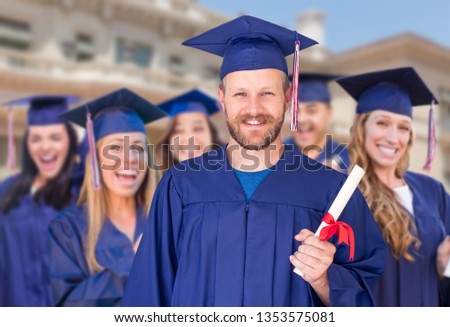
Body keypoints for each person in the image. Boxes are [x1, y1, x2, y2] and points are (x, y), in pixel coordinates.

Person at [121, 15, 386, 307]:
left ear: (288, 97)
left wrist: (325, 281)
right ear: (222, 99)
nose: (254, 109)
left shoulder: (332, 191)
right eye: (240, 94)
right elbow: (147, 294)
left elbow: (370, 294)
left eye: (267, 93)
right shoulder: (181, 186)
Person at [337, 67, 450, 306]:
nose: (392, 137)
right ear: (361, 124)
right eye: (382, 123)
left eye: (403, 127)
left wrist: (443, 269)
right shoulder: (341, 191)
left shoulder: (434, 192)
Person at [48, 88, 166, 306]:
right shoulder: (68, 230)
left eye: (138, 148)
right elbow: (67, 308)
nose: (129, 159)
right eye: (114, 149)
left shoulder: (165, 222)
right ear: (94, 161)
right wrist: (134, 258)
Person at [0, 95, 82, 306]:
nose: (45, 147)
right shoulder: (8, 192)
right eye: (35, 138)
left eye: (55, 137)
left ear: (70, 142)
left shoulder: (79, 192)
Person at [284, 73, 349, 172]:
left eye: (311, 111)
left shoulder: (348, 159)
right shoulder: (274, 157)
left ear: (328, 114)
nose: (301, 119)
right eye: (295, 111)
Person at [155, 89, 223, 172]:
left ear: (211, 134)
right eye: (178, 131)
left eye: (198, 128)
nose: (189, 138)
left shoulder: (233, 180)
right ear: (168, 140)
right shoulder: (160, 183)